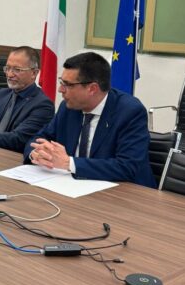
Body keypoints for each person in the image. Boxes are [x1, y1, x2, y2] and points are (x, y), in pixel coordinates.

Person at [25, 51, 155, 187]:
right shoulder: (68, 107)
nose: (60, 89)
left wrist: (69, 163)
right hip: (72, 186)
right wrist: (36, 153)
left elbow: (127, 167)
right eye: (61, 82)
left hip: (125, 191)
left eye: (68, 84)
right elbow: (39, 138)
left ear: (92, 89)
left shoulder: (129, 111)